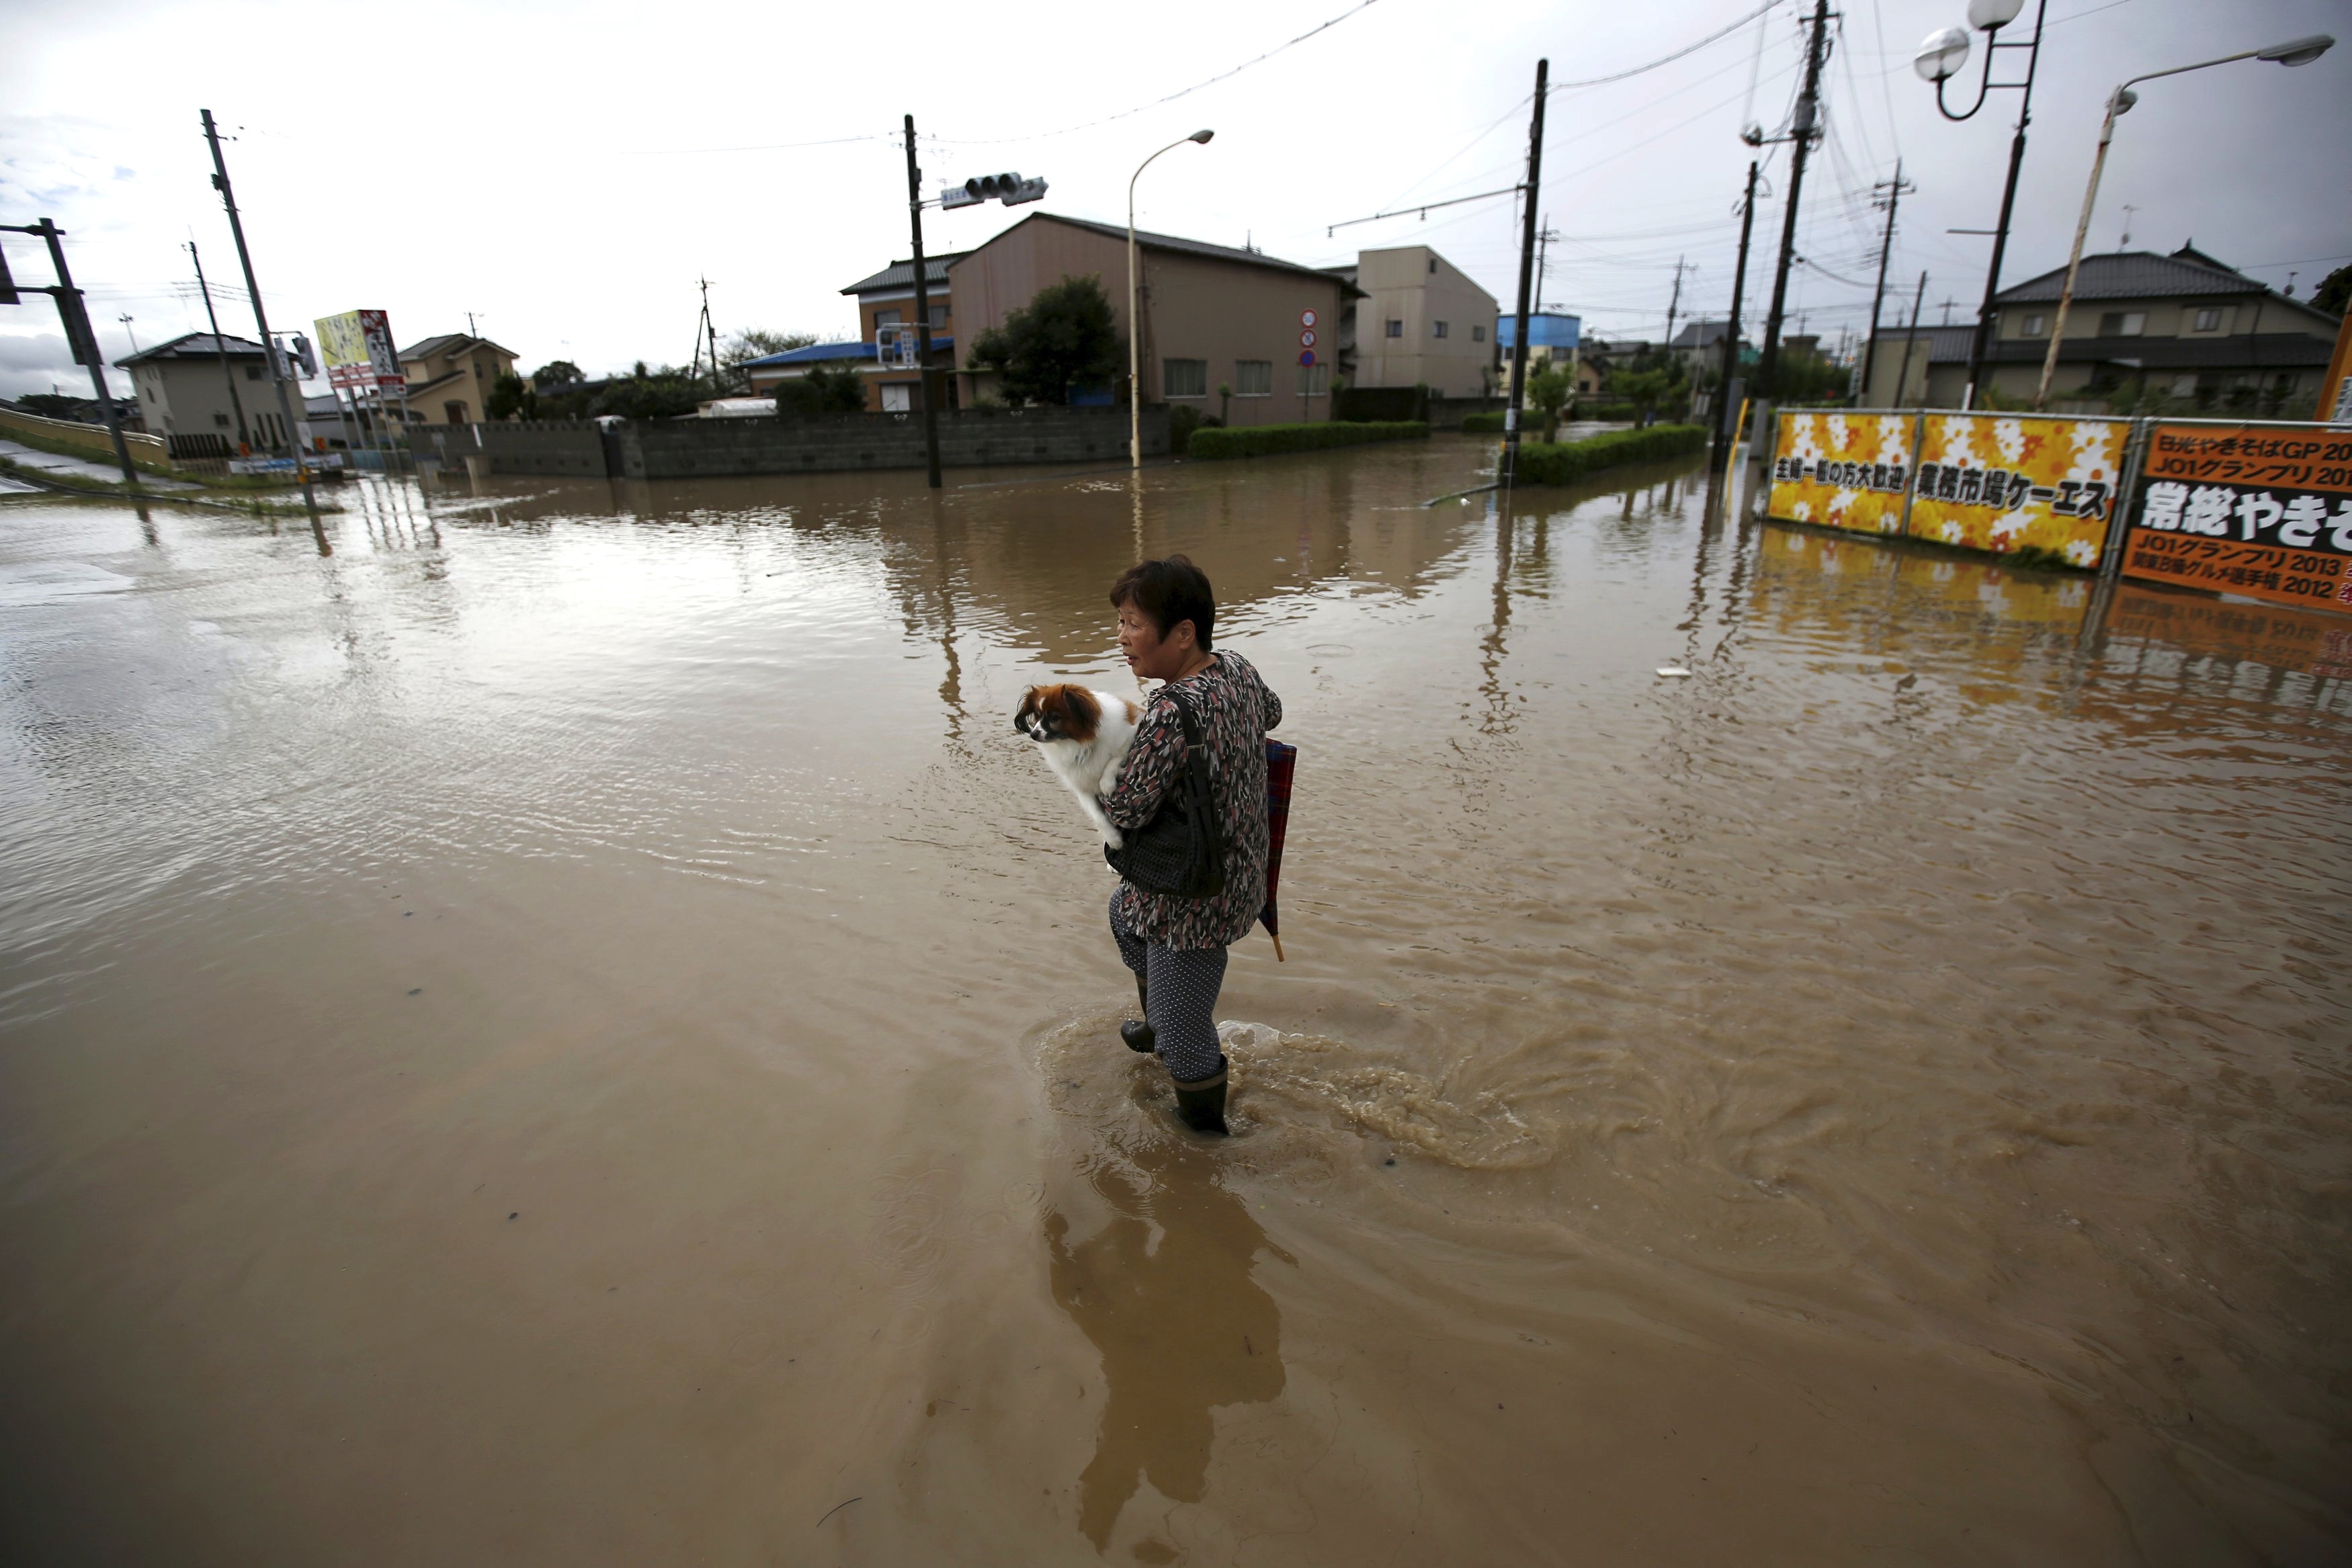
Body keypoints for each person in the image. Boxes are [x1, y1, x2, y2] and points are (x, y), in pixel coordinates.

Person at [1099, 556, 1282, 1136]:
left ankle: (1206, 1140)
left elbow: (1127, 809)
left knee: (1185, 1036)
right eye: (1122, 622)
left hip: (1194, 894)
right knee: (1124, 916)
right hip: (1244, 869)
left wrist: (1097, 770)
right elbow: (1272, 713)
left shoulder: (1172, 712)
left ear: (1182, 634)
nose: (1123, 637)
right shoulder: (1237, 668)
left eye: (1133, 623)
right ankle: (1161, 1017)